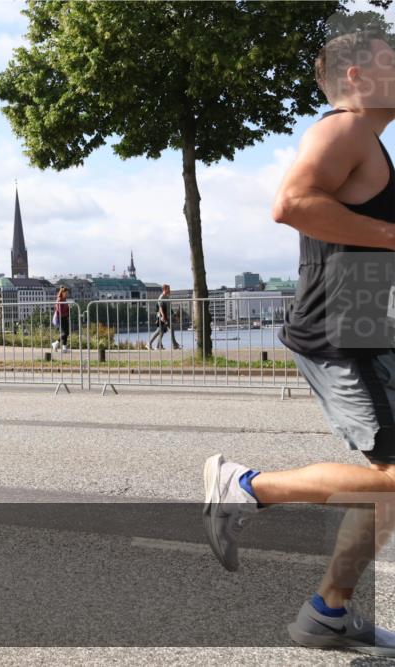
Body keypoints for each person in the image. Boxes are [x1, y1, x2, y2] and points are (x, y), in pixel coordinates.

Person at [204, 31, 395, 656]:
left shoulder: (368, 143)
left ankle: (327, 614)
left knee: (385, 479)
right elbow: (291, 204)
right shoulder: (343, 129)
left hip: (364, 321)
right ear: (358, 77)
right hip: (340, 328)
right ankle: (245, 487)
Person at [148, 284, 180, 350]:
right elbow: (160, 308)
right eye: (168, 289)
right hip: (163, 317)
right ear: (165, 289)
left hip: (167, 317)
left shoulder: (166, 297)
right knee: (160, 331)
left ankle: (158, 345)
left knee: (161, 331)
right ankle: (150, 344)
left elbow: (169, 308)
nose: (170, 290)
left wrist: (174, 315)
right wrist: (163, 317)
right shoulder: (161, 297)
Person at [51, 287, 70, 353]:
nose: (67, 294)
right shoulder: (60, 300)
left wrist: (68, 309)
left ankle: (61, 345)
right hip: (61, 317)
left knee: (67, 332)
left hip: (65, 317)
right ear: (62, 293)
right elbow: (60, 310)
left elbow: (66, 309)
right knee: (65, 333)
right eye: (66, 293)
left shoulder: (64, 300)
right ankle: (58, 344)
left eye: (67, 293)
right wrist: (67, 309)